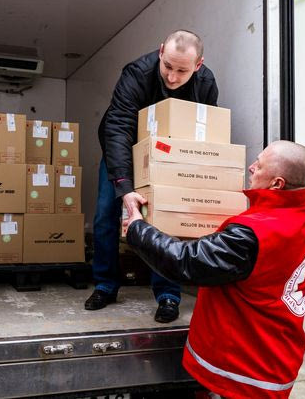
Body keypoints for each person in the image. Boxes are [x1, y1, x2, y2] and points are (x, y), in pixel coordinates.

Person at [122, 140, 305, 398]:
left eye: (259, 165)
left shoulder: (255, 233)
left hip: (242, 370)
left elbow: (185, 262)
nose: (251, 167)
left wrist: (138, 228)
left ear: (277, 184)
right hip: (277, 359)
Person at [87, 30, 219, 323]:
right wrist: (124, 186)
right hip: (123, 151)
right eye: (167, 66)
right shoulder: (136, 74)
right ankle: (105, 285)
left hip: (170, 156)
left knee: (165, 219)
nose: (172, 77)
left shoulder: (206, 83)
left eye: (182, 70)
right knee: (106, 215)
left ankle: (168, 294)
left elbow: (205, 129)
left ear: (198, 65)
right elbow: (118, 127)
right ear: (160, 51)